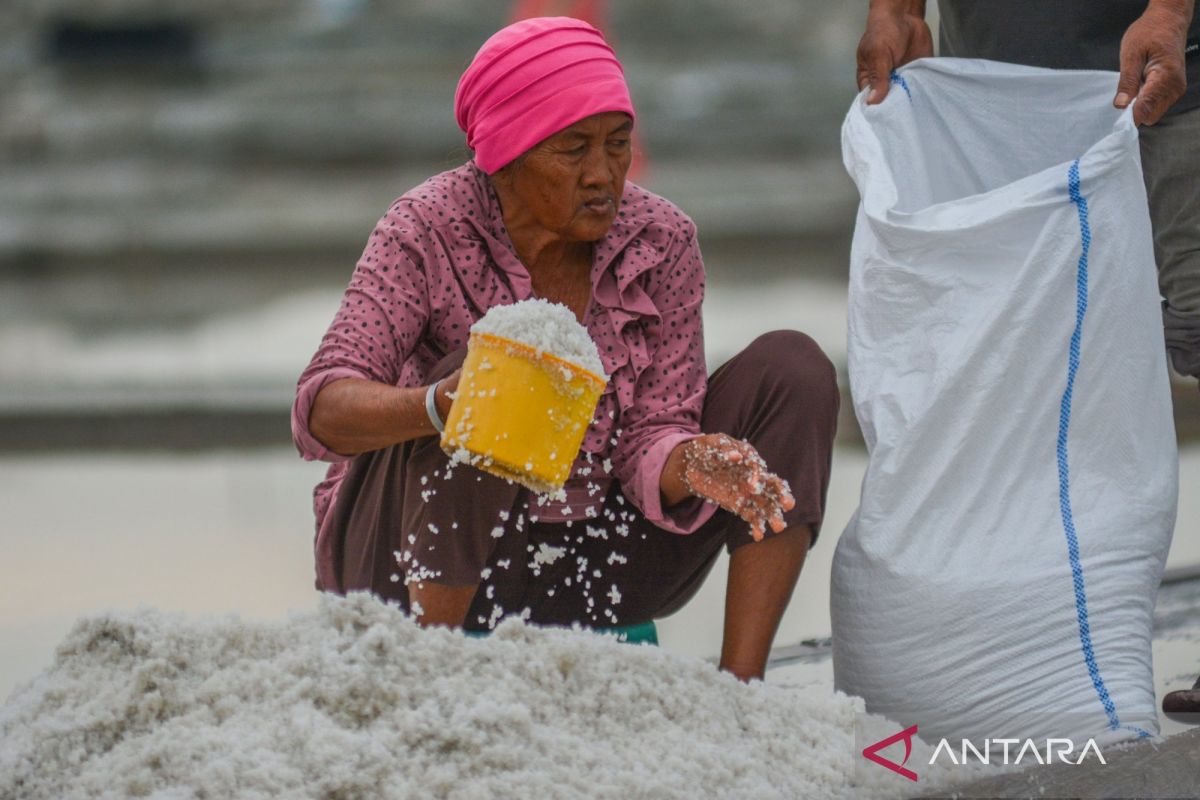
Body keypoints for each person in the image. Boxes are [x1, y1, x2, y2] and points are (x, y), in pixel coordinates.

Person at [291, 16, 840, 681]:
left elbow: (653, 431)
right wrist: (441, 406)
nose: (604, 174)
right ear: (507, 153)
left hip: (587, 566)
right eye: (574, 149)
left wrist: (693, 462)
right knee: (501, 371)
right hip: (407, 568)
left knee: (794, 371)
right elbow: (322, 406)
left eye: (617, 144)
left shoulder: (660, 239)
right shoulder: (424, 227)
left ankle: (741, 688)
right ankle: (428, 682)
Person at [855, 0, 1199, 721]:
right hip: (996, 82)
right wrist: (894, 10)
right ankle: (1015, 635)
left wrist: (1169, 14)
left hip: (1172, 69)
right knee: (999, 350)